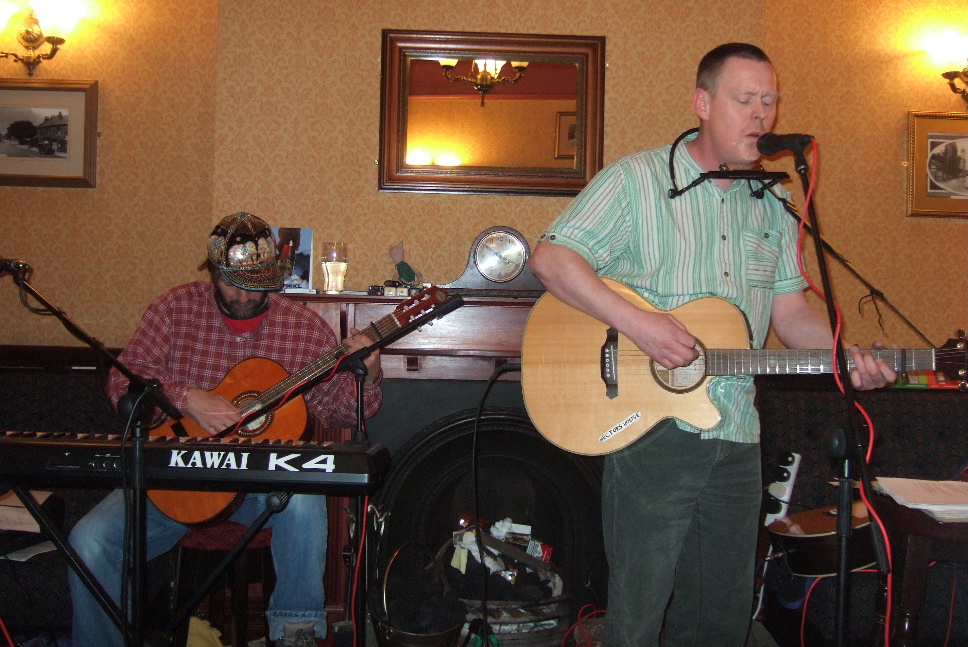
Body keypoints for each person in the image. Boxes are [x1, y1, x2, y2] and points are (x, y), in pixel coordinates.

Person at [528, 43, 897, 647]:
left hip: (736, 434)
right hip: (651, 432)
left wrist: (847, 357)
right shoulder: (638, 181)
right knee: (638, 616)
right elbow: (552, 258)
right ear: (703, 103)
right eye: (744, 99)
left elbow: (793, 313)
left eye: (770, 102)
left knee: (722, 619)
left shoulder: (773, 206)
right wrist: (644, 326)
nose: (761, 116)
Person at [68, 212, 383, 647]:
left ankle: (295, 633)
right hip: (175, 477)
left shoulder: (303, 327)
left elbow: (339, 411)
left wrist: (368, 374)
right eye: (233, 281)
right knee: (89, 540)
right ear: (213, 272)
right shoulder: (174, 309)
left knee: (306, 499)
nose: (244, 294)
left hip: (259, 487)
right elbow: (123, 384)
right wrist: (187, 397)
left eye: (256, 283)